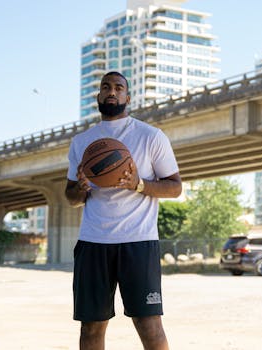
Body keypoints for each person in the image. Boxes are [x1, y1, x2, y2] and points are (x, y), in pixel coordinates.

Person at [65, 71, 181, 350]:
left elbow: (175, 187)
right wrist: (81, 187)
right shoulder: (82, 143)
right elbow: (70, 197)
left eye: (118, 87)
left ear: (128, 97)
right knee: (91, 328)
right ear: (98, 96)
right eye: (106, 87)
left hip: (138, 242)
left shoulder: (151, 136)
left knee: (149, 326)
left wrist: (138, 184)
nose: (112, 92)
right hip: (93, 242)